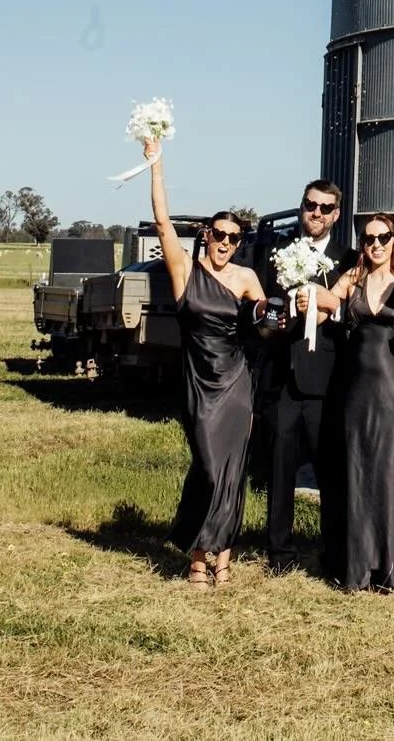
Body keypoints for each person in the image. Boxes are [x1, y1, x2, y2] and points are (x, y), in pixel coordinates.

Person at [144, 135, 265, 588]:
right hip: (198, 383)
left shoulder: (246, 277)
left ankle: (220, 559)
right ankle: (199, 549)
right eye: (220, 235)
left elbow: (269, 323)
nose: (226, 243)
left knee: (233, 470)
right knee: (210, 467)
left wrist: (289, 310)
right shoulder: (185, 272)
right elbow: (160, 222)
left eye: (234, 238)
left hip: (236, 382)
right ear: (207, 235)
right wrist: (157, 164)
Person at [308, 213, 394, 591]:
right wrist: (305, 292)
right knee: (356, 469)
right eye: (368, 238)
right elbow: (324, 305)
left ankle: (389, 566)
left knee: (387, 469)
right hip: (355, 387)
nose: (375, 244)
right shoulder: (353, 278)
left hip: (392, 387)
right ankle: (357, 564)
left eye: (382, 237)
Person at [256, 178, 350, 575]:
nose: (317, 213)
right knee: (279, 469)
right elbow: (259, 306)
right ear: (302, 206)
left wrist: (334, 307)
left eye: (326, 208)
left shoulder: (350, 260)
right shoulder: (275, 254)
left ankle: (332, 554)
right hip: (281, 376)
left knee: (330, 471)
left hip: (326, 380)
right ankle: (279, 553)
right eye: (311, 205)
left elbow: (355, 319)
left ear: (336, 214)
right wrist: (267, 319)